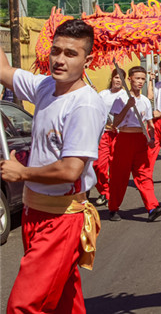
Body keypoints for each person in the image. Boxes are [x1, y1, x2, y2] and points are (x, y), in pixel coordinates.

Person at [0, 19, 107, 313]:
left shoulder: (84, 105)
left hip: (60, 219)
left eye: (70, 54)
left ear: (88, 59)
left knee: (24, 305)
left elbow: (70, 170)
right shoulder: (47, 86)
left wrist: (21, 173)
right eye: (56, 51)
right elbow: (4, 72)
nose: (59, 59)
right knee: (63, 302)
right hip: (34, 212)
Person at [108, 66, 161, 222]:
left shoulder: (146, 101)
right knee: (120, 177)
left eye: (143, 79)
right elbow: (115, 123)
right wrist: (128, 105)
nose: (140, 82)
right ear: (130, 80)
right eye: (137, 78)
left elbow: (150, 123)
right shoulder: (120, 99)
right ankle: (113, 207)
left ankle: (152, 207)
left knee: (144, 175)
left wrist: (152, 138)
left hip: (141, 140)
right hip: (125, 140)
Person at [95, 70, 127, 206]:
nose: (118, 80)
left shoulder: (124, 96)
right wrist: (92, 95)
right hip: (103, 134)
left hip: (118, 135)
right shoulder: (102, 94)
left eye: (121, 78)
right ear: (112, 78)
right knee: (98, 166)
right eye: (116, 77)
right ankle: (104, 191)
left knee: (115, 167)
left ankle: (112, 194)